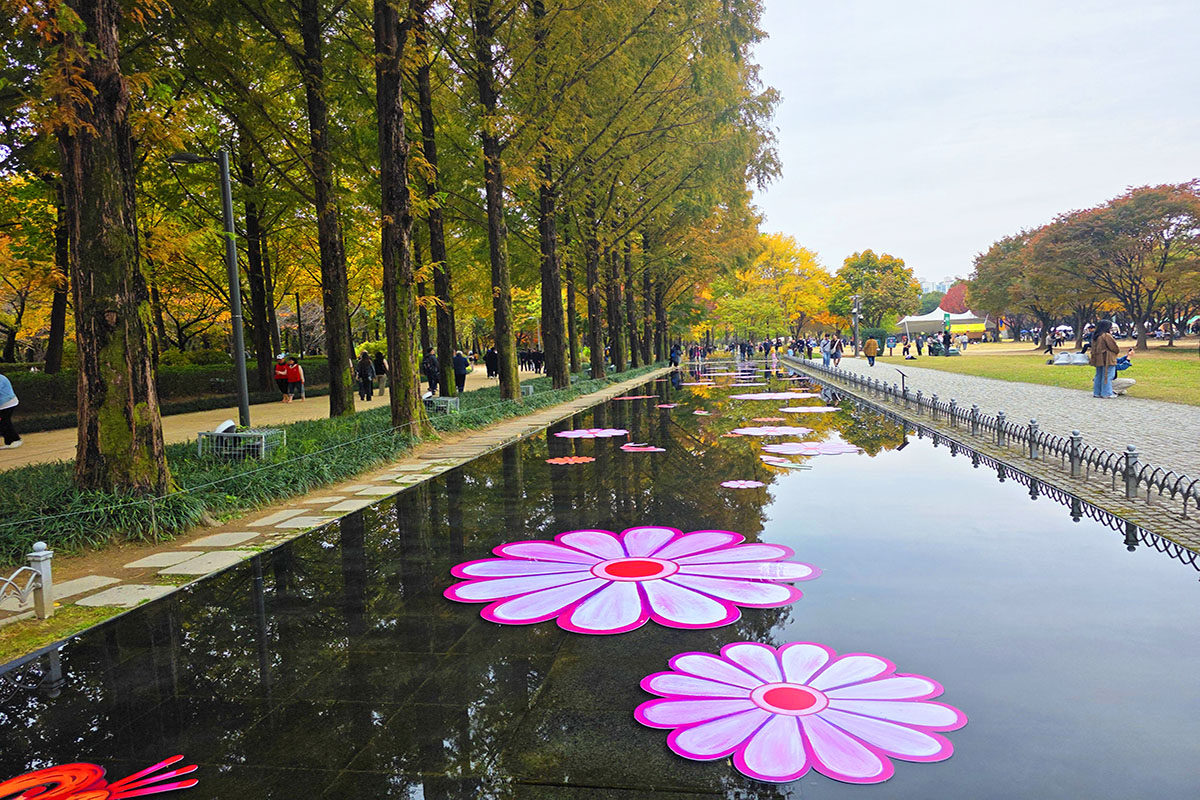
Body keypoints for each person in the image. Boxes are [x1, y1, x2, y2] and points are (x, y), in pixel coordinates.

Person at [1088, 320, 1120, 398]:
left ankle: (1097, 392)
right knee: (1108, 375)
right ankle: (1107, 393)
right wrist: (1116, 351)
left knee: (1099, 375)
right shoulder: (1106, 336)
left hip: (1098, 358)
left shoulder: (1095, 336)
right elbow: (1114, 347)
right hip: (1107, 358)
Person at [0, 372, 22, 449]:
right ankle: (9, 441)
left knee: (4, 422)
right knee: (3, 422)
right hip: (3, 404)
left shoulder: (1, 378)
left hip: (8, 403)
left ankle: (15, 439)